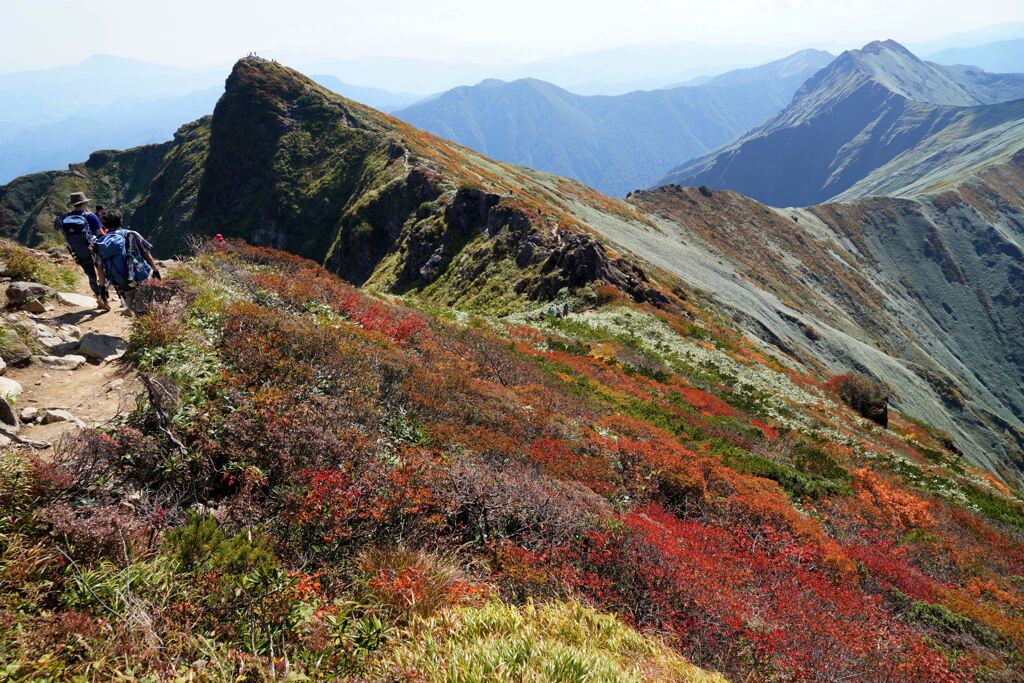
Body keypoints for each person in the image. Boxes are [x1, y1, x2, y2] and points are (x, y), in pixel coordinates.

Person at [94, 209, 161, 315]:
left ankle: (141, 324)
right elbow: (146, 253)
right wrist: (155, 269)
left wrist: (102, 287)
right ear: (121, 221)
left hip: (123, 282)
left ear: (104, 225)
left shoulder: (101, 242)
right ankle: (151, 328)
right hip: (140, 277)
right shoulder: (132, 234)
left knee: (135, 308)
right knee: (147, 307)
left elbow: (100, 267)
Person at [54, 192, 109, 311]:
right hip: (95, 250)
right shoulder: (90, 216)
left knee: (91, 275)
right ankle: (105, 298)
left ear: (74, 204)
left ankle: (98, 296)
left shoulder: (65, 218)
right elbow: (100, 234)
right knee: (102, 272)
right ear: (85, 202)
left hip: (78, 252)